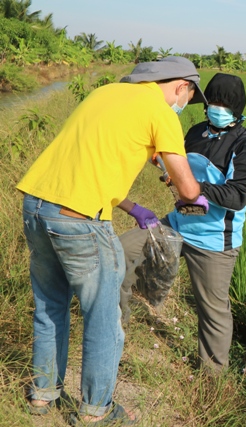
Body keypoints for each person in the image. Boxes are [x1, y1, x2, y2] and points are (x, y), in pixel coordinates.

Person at [17, 56, 208, 426]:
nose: (184, 104)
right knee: (104, 317)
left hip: (37, 206)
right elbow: (186, 188)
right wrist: (195, 196)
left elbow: (93, 163)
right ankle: (96, 411)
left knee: (50, 305)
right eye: (188, 97)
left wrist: (133, 206)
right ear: (182, 85)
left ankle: (42, 395)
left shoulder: (106, 93)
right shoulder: (161, 111)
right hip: (78, 219)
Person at [119, 73, 246, 375]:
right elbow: (177, 164)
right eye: (213, 102)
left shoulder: (245, 145)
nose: (217, 109)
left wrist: (195, 189)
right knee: (119, 254)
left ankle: (212, 378)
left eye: (225, 105)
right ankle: (115, 334)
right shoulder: (196, 132)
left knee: (212, 309)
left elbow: (239, 195)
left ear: (237, 109)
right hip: (176, 224)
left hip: (213, 239)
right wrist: (165, 167)